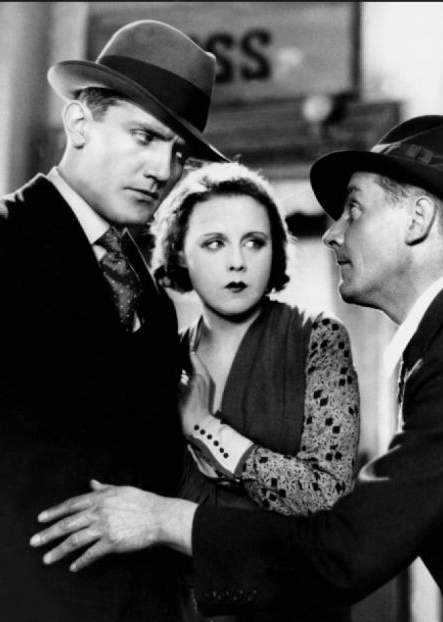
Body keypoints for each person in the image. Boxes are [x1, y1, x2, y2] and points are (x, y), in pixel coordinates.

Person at [31, 115, 443, 622]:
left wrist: (160, 519)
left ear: (418, 220)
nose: (330, 234)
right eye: (213, 243)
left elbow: (346, 550)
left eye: (353, 208)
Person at [0, 20, 227, 622]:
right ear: (79, 123)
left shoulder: (153, 302)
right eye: (143, 136)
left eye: (178, 154)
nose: (162, 169)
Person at [150, 162, 360, 621]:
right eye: (214, 243)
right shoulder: (162, 360)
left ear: (274, 250)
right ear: (180, 253)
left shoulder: (318, 338)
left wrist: (205, 429)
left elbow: (330, 500)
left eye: (254, 242)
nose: (237, 262)